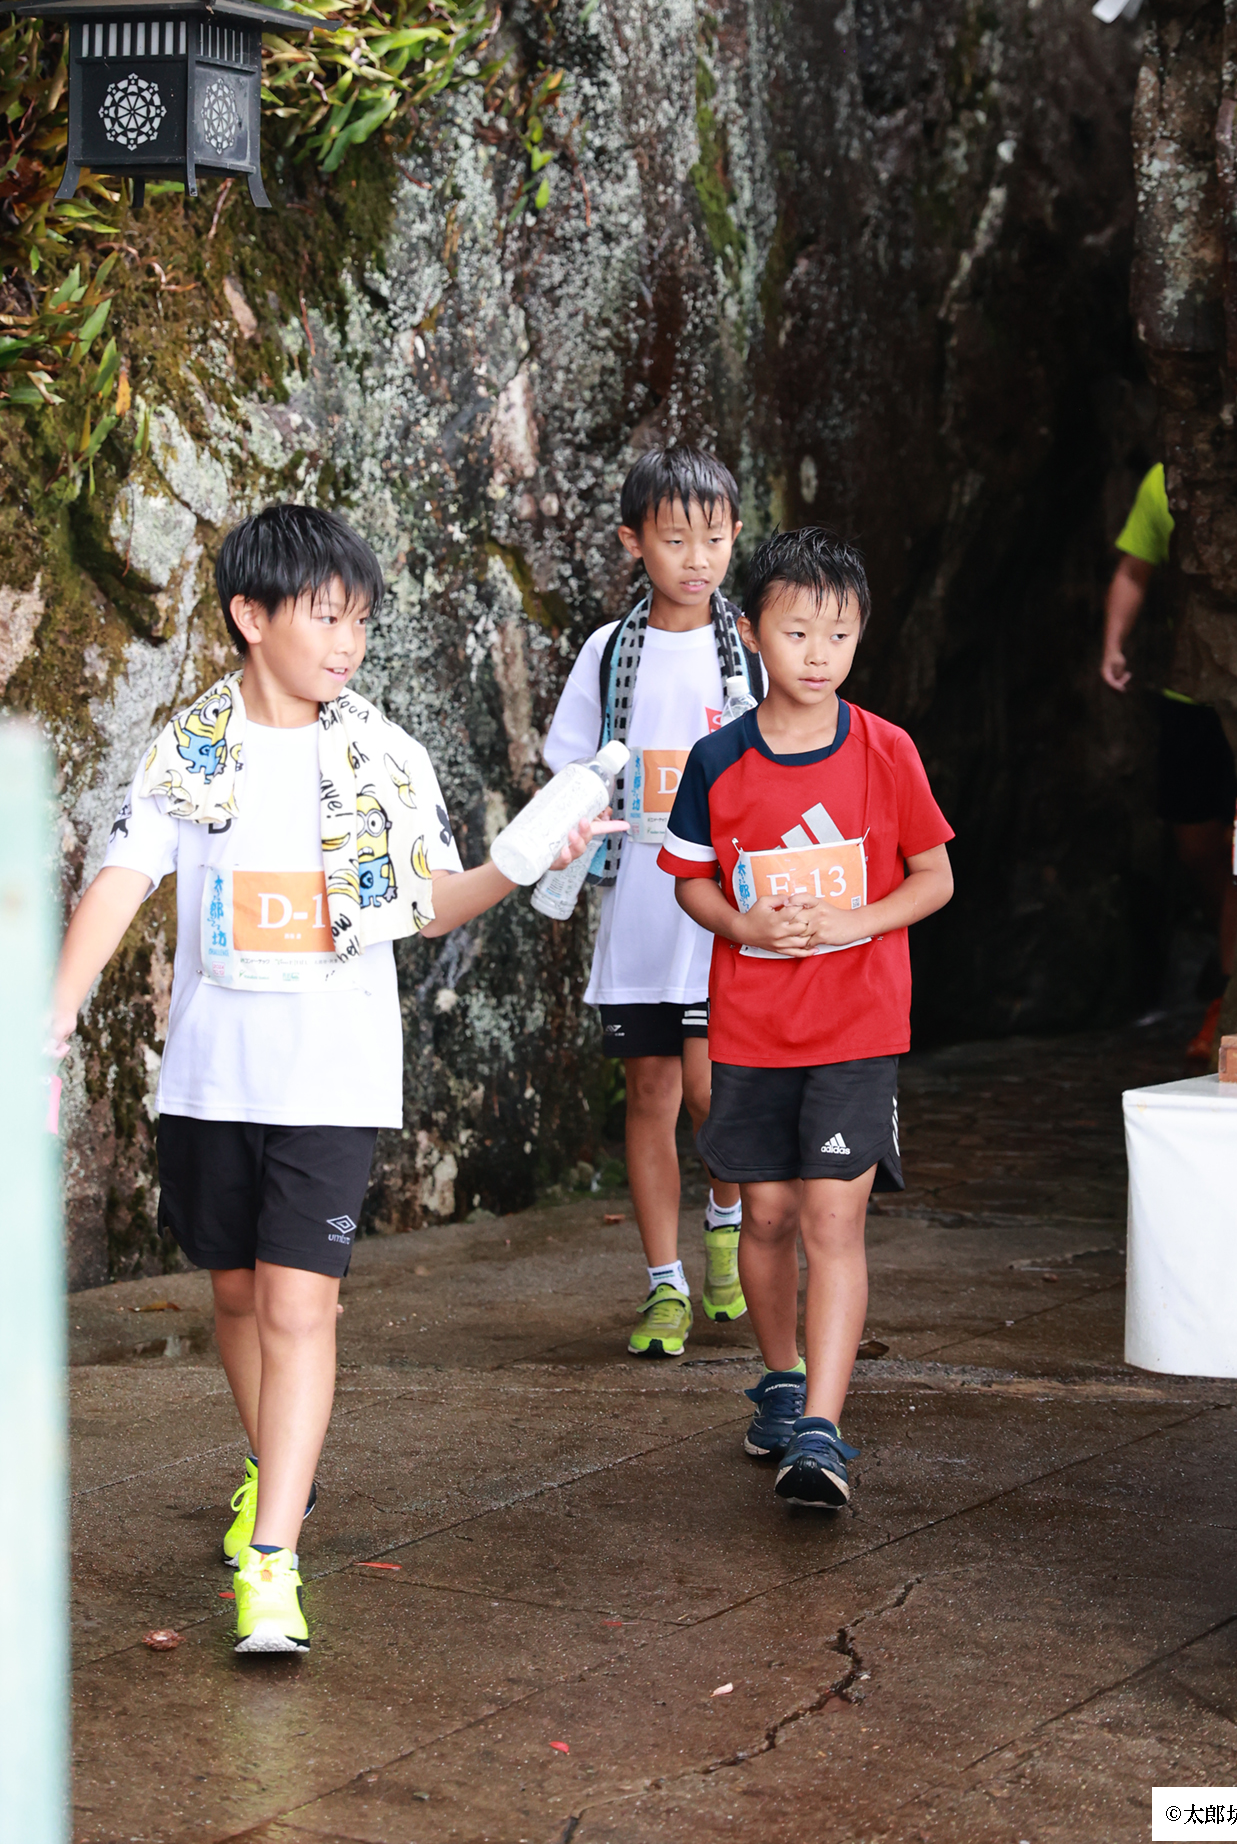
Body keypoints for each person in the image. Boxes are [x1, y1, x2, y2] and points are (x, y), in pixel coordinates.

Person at [51, 503, 613, 1657]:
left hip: (333, 1081)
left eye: (359, 619)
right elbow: (122, 879)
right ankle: (276, 1470)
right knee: (236, 1298)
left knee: (301, 1306)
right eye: (325, 617)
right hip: (213, 1081)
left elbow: (431, 904)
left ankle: (274, 1561)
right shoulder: (192, 750)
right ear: (250, 617)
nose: (348, 642)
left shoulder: (384, 757)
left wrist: (516, 867)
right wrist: (52, 1016)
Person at [658, 527, 954, 1510]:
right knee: (769, 1215)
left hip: (857, 1028)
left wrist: (853, 922)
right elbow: (690, 881)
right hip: (751, 1028)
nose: (819, 654)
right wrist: (743, 925)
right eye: (796, 632)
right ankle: (782, 1379)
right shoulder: (718, 761)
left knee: (832, 1218)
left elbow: (934, 877)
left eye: (839, 634)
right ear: (751, 633)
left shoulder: (886, 750)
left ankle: (821, 1431)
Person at [543, 445, 763, 1360]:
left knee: (715, 1091)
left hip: (723, 909)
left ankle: (727, 1225)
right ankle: (665, 1283)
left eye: (713, 538)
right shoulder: (609, 651)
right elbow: (571, 763)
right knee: (652, 1092)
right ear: (634, 542)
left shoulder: (752, 645)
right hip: (641, 904)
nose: (696, 559)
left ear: (736, 535)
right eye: (675, 540)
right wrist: (578, 815)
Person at [1101, 461, 1237, 1062]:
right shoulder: (1167, 479)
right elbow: (1135, 568)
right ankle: (1225, 948)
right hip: (1190, 694)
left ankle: (1225, 992)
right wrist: (1113, 643)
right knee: (1196, 844)